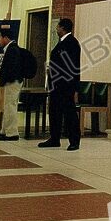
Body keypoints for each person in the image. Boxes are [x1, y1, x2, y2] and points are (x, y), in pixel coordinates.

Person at [38, 17, 81, 152]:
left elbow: (71, 66)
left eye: (57, 27)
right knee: (55, 111)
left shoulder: (71, 43)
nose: (56, 29)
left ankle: (74, 141)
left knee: (69, 113)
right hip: (56, 84)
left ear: (62, 28)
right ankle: (54, 138)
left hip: (65, 85)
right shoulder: (62, 42)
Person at [0, 26, 25, 141]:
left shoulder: (12, 50)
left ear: (6, 38)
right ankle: (5, 130)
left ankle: (12, 132)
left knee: (10, 106)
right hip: (12, 81)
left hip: (13, 82)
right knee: (8, 106)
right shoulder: (11, 48)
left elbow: (10, 68)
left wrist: (3, 80)